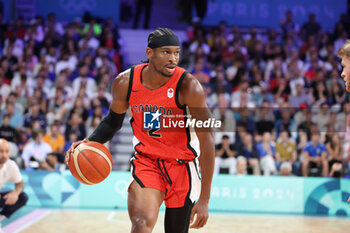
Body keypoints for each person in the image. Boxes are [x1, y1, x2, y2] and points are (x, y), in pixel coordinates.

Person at [65, 28, 215, 233]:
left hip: (182, 166)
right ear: (149, 53)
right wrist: (89, 141)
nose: (173, 58)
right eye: (166, 52)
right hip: (148, 162)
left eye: (176, 52)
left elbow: (207, 142)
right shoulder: (125, 82)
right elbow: (113, 122)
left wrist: (205, 199)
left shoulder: (189, 87)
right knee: (142, 223)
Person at [0, 139, 28, 231]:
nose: (4, 155)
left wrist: (15, 192)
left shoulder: (11, 165)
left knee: (23, 197)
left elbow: (20, 184)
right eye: (1, 151)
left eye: (7, 151)